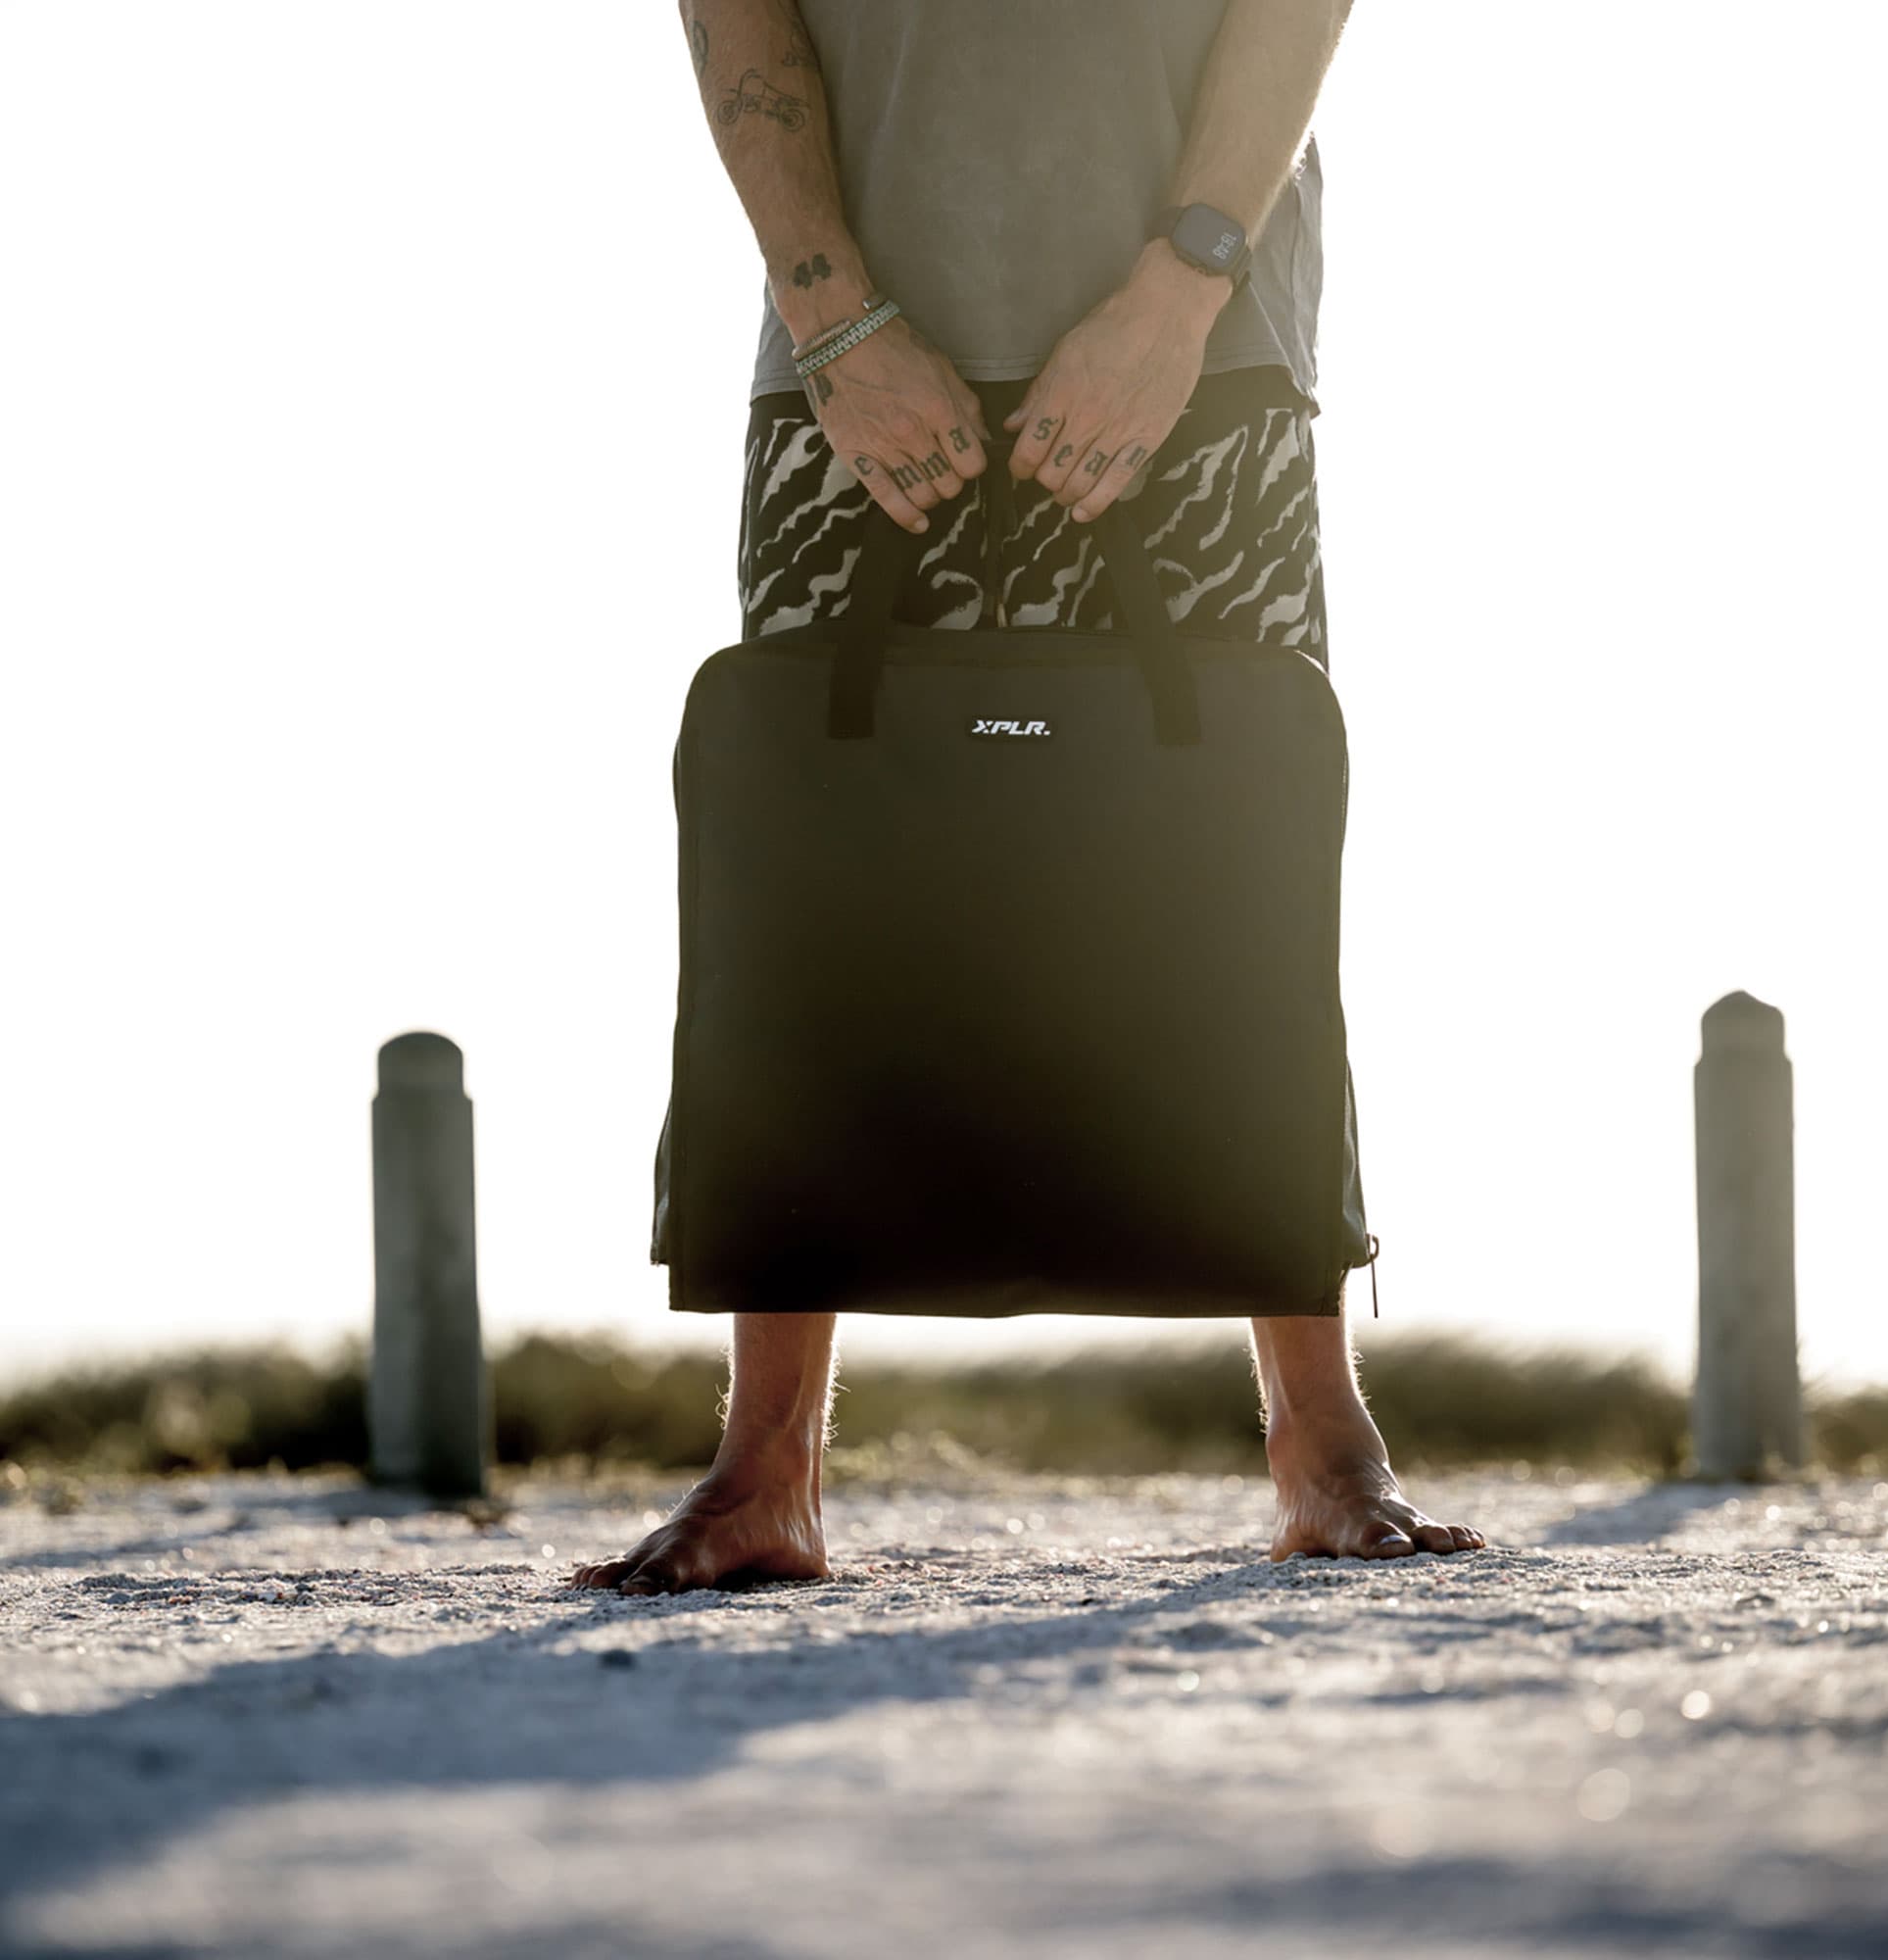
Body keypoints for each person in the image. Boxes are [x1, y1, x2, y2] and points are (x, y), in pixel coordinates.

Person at [573, 0, 1485, 1596]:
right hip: (846, 371)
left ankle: (1326, 1448)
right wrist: (835, 320)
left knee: (1229, 875)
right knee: (818, 892)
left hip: (1203, 349)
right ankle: (762, 1470)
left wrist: (1176, 292)